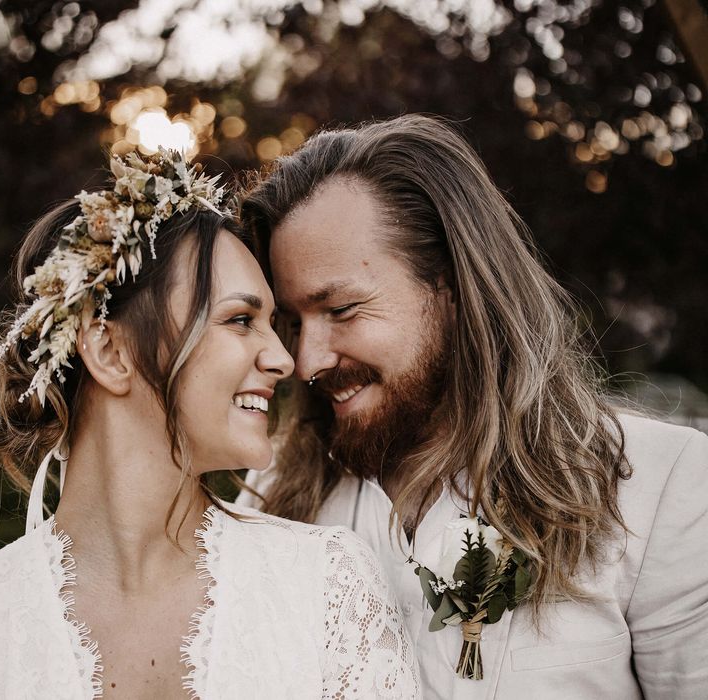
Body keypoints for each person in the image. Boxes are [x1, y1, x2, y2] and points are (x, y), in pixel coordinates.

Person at [238, 114, 708, 698]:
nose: (306, 362)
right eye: (291, 322)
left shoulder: (658, 486)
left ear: (454, 288)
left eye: (342, 311)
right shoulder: (274, 495)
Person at [0, 150, 419, 698]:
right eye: (240, 320)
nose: (286, 361)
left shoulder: (329, 588)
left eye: (273, 324)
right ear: (111, 353)